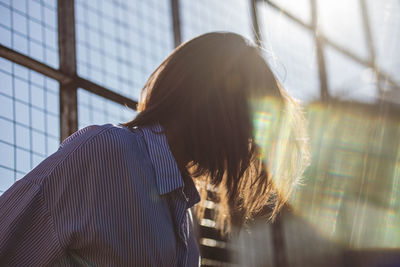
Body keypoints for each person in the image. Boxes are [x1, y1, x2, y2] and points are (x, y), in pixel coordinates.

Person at [0, 32, 308, 266]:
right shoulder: (105, 155)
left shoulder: (184, 226)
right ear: (216, 107)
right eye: (248, 125)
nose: (248, 146)